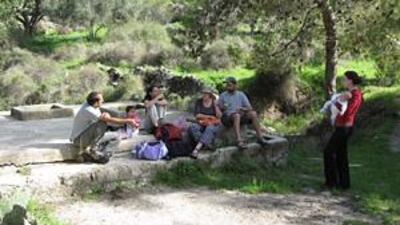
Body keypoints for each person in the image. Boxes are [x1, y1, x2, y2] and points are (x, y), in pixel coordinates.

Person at [70, 91, 137, 163]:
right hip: (79, 139)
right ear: (96, 102)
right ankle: (94, 150)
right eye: (101, 100)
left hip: (87, 136)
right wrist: (129, 121)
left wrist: (106, 114)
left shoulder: (91, 104)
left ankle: (101, 154)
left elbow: (106, 115)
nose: (103, 101)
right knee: (102, 123)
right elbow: (109, 120)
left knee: (117, 136)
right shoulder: (88, 110)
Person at [323, 71, 363, 190]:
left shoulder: (355, 94)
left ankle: (331, 182)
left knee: (328, 152)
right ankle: (344, 184)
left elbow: (348, 112)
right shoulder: (349, 93)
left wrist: (337, 107)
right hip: (341, 127)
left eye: (345, 79)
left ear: (350, 80)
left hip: (345, 127)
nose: (343, 81)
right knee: (341, 155)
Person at [218, 77, 268, 149]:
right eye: (227, 85)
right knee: (236, 115)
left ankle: (260, 137)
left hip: (240, 115)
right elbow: (219, 108)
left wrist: (242, 109)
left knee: (253, 114)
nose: (227, 86)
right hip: (228, 117)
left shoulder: (240, 94)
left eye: (229, 85)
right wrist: (222, 108)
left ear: (235, 85)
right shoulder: (223, 95)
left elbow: (249, 108)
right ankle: (239, 141)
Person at [188, 88, 222, 158]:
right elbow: (197, 115)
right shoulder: (199, 102)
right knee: (192, 127)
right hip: (201, 122)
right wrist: (209, 116)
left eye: (205, 94)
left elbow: (219, 116)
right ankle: (207, 144)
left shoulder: (214, 102)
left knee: (210, 128)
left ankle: (197, 149)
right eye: (203, 93)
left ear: (210, 95)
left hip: (212, 124)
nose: (203, 95)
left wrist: (216, 106)